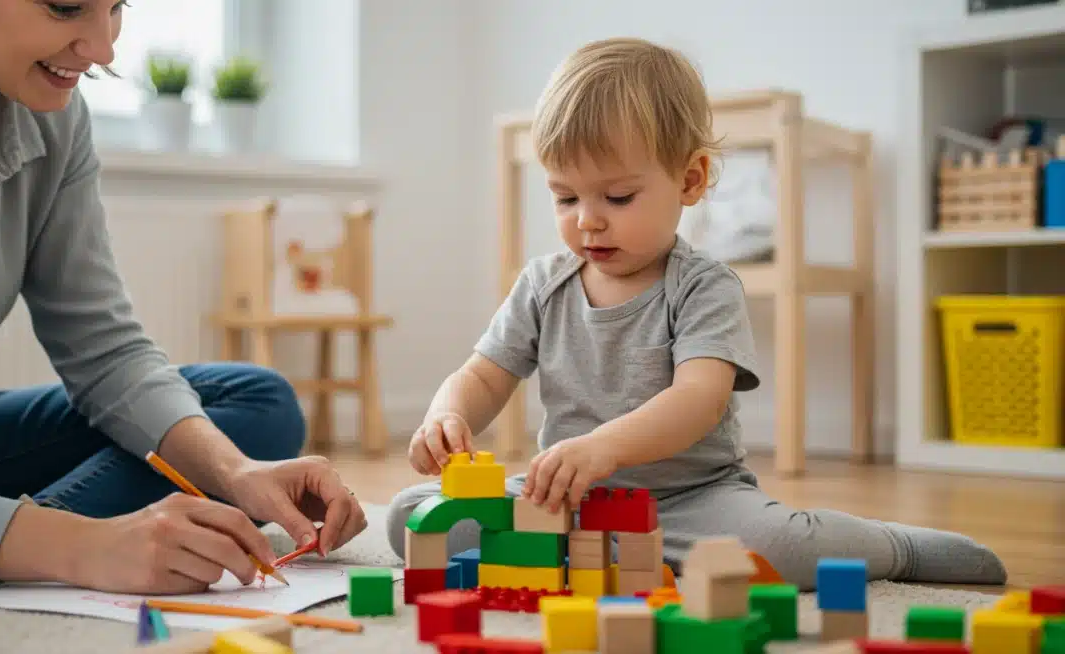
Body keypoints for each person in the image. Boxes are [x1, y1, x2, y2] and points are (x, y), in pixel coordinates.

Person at [386, 36, 1007, 591]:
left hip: (690, 499)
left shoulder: (704, 286)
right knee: (410, 521)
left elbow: (697, 402)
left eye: (618, 196)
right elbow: (485, 375)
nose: (587, 219)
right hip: (565, 499)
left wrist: (603, 446)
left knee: (784, 550)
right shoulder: (543, 283)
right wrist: (447, 413)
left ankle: (894, 546)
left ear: (690, 180)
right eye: (565, 196)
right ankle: (589, 553)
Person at [0, 0, 366, 593]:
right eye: (66, 7)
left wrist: (238, 473)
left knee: (260, 405)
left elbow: (105, 351)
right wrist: (86, 546)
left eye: (116, 7)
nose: (104, 50)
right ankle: (24, 545)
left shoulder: (52, 116)